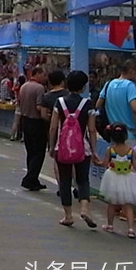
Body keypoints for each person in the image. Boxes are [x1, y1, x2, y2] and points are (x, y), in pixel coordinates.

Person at [48, 70, 99, 229]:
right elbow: (92, 130)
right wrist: (94, 150)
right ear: (83, 87)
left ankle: (68, 216)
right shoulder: (88, 104)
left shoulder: (59, 102)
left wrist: (51, 146)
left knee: (64, 180)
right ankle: (84, 208)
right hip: (83, 147)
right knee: (83, 180)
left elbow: (53, 127)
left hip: (62, 147)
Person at [98, 123, 136, 238]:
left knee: (111, 203)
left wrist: (96, 162)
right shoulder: (131, 151)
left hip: (112, 177)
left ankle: (110, 225)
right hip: (127, 178)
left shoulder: (110, 150)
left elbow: (104, 163)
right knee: (128, 205)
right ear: (125, 136)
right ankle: (131, 229)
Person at [96, 59, 136, 144]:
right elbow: (135, 109)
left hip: (113, 133)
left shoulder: (108, 84)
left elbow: (98, 105)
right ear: (131, 71)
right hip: (129, 134)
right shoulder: (129, 85)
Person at [39, 70, 70, 199]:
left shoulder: (46, 97)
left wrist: (52, 119)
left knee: (58, 161)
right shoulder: (69, 95)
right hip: (72, 131)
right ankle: (76, 186)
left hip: (57, 131)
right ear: (63, 81)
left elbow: (43, 115)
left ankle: (61, 187)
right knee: (73, 159)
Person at [20, 66, 48, 191]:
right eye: (44, 75)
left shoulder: (24, 86)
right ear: (38, 74)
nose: (45, 78)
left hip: (25, 120)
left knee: (30, 151)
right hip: (36, 122)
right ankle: (29, 178)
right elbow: (39, 107)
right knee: (38, 153)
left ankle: (33, 179)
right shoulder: (39, 88)